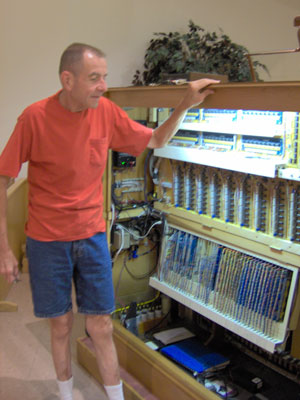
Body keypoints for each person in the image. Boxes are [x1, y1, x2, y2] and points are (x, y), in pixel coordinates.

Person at [0, 43, 218, 400]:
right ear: (66, 79)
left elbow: (156, 139)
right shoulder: (34, 117)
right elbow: (3, 177)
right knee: (60, 325)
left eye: (104, 76)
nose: (103, 85)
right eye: (94, 78)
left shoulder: (107, 113)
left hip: (91, 237)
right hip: (46, 241)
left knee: (101, 325)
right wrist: (5, 249)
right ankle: (66, 395)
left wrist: (184, 105)